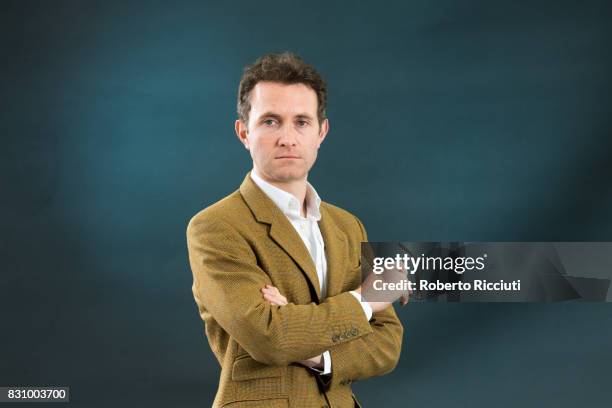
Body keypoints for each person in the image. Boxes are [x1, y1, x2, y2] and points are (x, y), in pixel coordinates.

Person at [187, 52, 405, 408]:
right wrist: (365, 299)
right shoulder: (214, 227)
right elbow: (271, 337)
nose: (288, 137)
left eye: (301, 122)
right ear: (244, 132)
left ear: (321, 132)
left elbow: (387, 343)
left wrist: (319, 356)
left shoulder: (348, 227)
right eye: (271, 121)